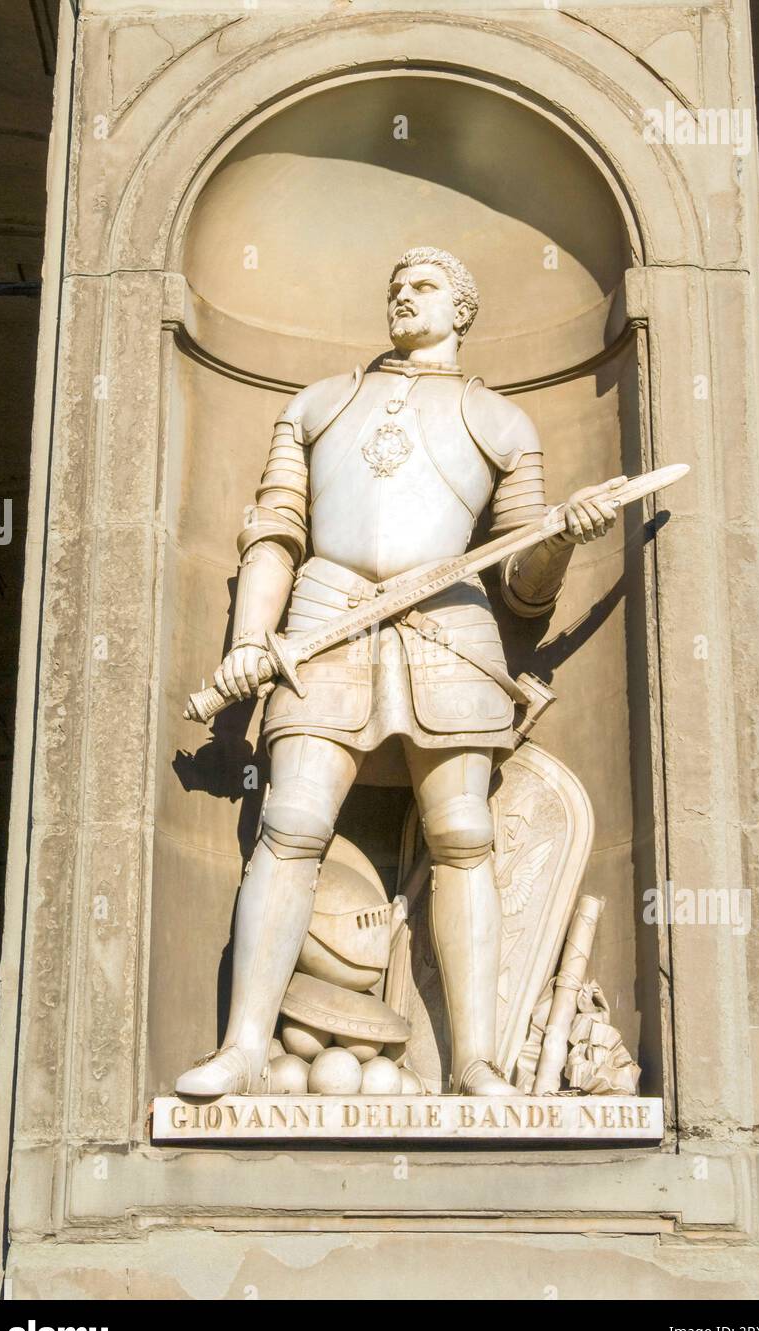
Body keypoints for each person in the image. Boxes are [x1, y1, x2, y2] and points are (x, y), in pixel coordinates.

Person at [176, 247, 618, 1098]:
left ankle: (476, 1061)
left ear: (462, 308)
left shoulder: (501, 420)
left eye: (423, 287)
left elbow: (524, 590)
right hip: (324, 612)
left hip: (450, 625)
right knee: (290, 825)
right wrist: (249, 637)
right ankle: (242, 1045)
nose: (402, 297)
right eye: (395, 287)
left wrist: (564, 535)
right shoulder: (318, 401)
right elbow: (275, 532)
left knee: (464, 839)